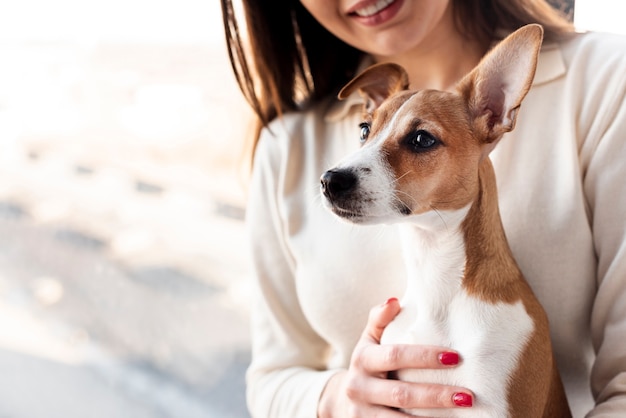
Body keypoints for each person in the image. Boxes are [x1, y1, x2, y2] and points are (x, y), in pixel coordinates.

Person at [219, 0, 626, 416]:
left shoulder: (608, 80)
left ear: (496, 111)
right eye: (366, 129)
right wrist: (338, 400)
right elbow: (271, 381)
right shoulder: (284, 144)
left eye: (420, 142)